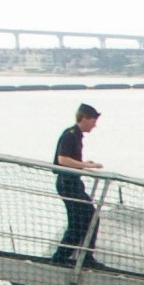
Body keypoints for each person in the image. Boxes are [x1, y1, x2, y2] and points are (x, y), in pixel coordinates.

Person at [51, 104, 103, 267]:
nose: (94, 125)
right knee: (81, 219)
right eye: (93, 121)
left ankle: (83, 256)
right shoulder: (70, 135)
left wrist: (83, 164)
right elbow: (62, 160)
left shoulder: (76, 135)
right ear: (85, 118)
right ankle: (62, 257)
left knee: (87, 217)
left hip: (72, 182)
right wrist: (86, 166)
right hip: (68, 183)